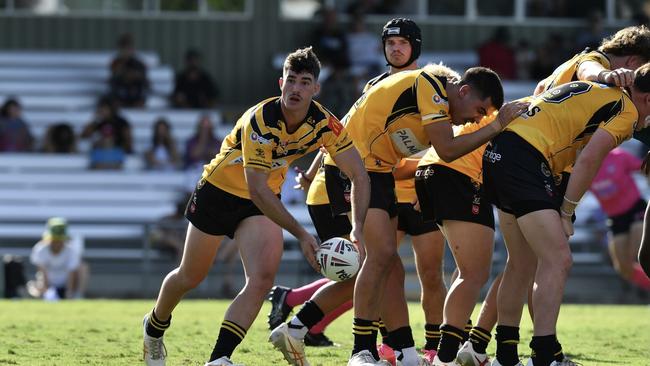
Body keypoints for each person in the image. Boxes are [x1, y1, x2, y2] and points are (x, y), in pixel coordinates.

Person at [141, 47, 371, 366]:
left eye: (305, 82)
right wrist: (303, 235)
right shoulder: (261, 119)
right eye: (291, 80)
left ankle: (219, 358)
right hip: (219, 193)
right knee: (190, 276)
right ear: (280, 83)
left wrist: (357, 226)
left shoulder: (325, 123)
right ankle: (154, 327)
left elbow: (358, 173)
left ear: (316, 89)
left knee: (261, 280)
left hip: (259, 204)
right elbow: (257, 189)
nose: (296, 88)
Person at [458, 24, 650, 366]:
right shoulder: (616, 94)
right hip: (531, 161)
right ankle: (543, 355)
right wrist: (566, 209)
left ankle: (501, 352)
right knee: (557, 259)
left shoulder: (580, 78)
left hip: (504, 153)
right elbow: (590, 156)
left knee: (523, 264)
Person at [268, 19, 447, 365]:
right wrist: (312, 171)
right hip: (364, 182)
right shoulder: (377, 85)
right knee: (375, 268)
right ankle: (347, 342)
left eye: (403, 43)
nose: (395, 48)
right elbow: (343, 133)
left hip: (401, 189)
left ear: (416, 47)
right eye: (390, 43)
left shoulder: (428, 85)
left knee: (397, 269)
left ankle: (404, 350)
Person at [413, 113, 498, 366]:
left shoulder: (473, 123)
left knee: (465, 272)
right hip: (459, 177)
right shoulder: (501, 116)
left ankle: (461, 345)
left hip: (431, 173)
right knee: (473, 275)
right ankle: (447, 355)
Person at [27, 217, 88, 300]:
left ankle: (78, 296)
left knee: (83, 267)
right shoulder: (40, 249)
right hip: (49, 285)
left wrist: (69, 293)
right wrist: (46, 291)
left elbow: (72, 273)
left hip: (65, 284)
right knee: (32, 287)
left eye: (60, 240)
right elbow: (42, 272)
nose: (57, 243)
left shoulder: (71, 250)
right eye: (54, 240)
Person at [109, 33, 149, 108]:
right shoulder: (116, 62)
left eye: (128, 48)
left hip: (135, 92)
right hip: (121, 92)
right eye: (123, 49)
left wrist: (131, 75)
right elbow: (114, 75)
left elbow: (142, 77)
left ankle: (138, 103)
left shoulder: (139, 63)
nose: (126, 51)